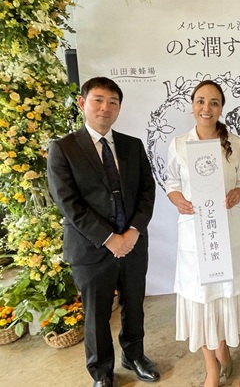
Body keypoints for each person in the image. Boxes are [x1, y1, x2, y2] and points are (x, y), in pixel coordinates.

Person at [47, 77, 160, 387]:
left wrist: (133, 231)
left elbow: (147, 192)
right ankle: (101, 372)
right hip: (91, 247)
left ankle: (134, 355)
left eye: (113, 102)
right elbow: (68, 203)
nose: (105, 108)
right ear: (83, 103)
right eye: (98, 100)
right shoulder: (63, 148)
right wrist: (110, 239)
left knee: (134, 305)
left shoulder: (132, 146)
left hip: (133, 243)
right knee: (96, 314)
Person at [165, 80, 240, 387]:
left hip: (227, 233)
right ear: (192, 105)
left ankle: (224, 348)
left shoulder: (235, 143)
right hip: (195, 236)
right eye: (201, 101)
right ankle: (211, 368)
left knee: (223, 294)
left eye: (214, 102)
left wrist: (238, 193)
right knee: (201, 298)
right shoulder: (179, 144)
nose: (207, 108)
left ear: (221, 108)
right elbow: (171, 183)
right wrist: (177, 199)